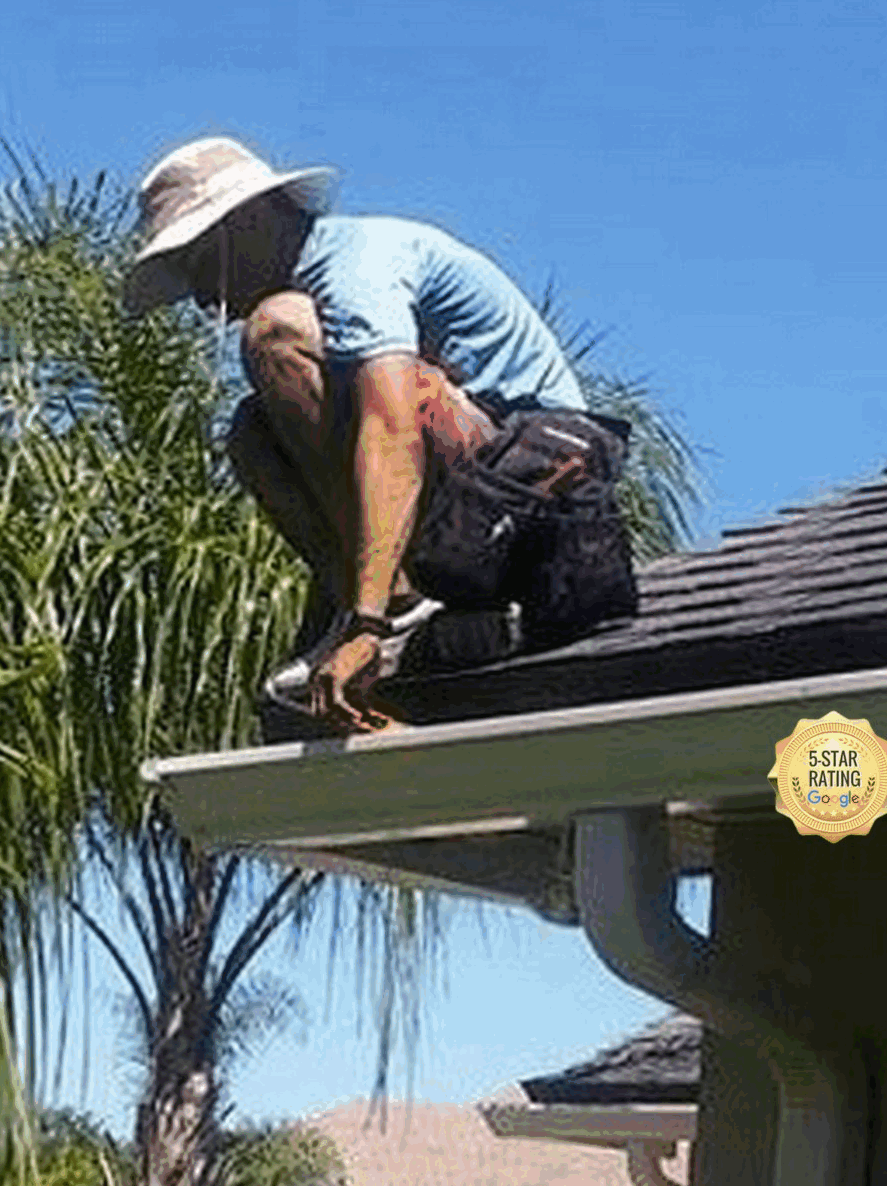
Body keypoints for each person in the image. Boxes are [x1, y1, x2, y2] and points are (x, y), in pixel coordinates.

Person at [123, 136, 634, 736]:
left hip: (526, 491)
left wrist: (368, 624)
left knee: (275, 333)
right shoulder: (322, 288)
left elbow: (390, 430)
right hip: (461, 483)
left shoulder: (357, 265)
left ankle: (389, 605)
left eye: (203, 263)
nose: (207, 298)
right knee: (251, 433)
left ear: (251, 222)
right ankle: (373, 603)